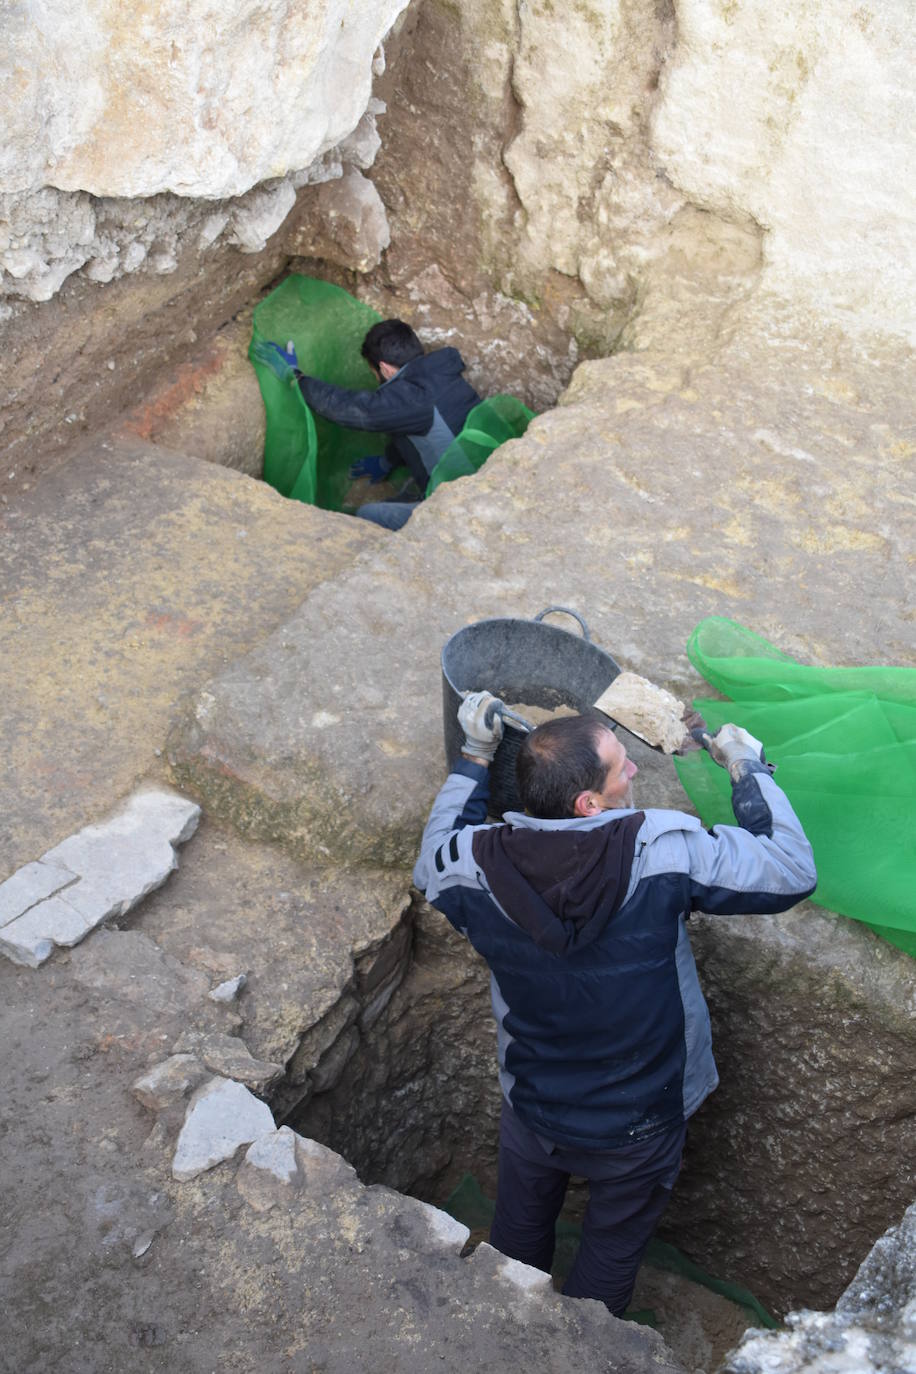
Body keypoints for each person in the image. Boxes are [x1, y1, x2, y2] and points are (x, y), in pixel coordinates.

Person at [413, 694, 817, 1317]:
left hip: (535, 1108)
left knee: (517, 1238)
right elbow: (789, 869)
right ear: (589, 804)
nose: (636, 770)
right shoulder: (662, 849)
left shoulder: (471, 865)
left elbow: (431, 854)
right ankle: (579, 1349)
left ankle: (499, 1335)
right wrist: (746, 767)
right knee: (610, 1249)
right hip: (641, 1119)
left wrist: (473, 754)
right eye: (621, 766)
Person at [252, 319, 481, 530]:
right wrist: (388, 460)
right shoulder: (443, 374)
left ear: (385, 368)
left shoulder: (413, 398)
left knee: (369, 514)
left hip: (464, 510)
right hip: (483, 478)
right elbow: (418, 427)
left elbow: (351, 408)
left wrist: (297, 378)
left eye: (373, 372)